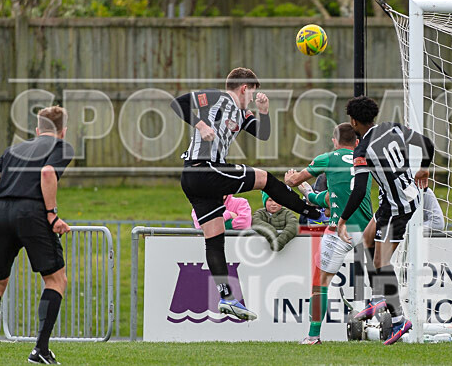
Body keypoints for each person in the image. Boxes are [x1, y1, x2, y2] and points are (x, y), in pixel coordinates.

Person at [171, 67, 321, 321]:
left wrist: (264, 112)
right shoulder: (218, 98)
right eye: (252, 92)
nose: (253, 97)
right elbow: (178, 103)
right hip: (204, 169)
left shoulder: (243, 113)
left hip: (196, 179)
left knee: (215, 239)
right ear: (244, 88)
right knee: (264, 179)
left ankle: (226, 298)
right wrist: (201, 124)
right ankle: (313, 212)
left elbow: (263, 134)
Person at [0, 105, 74, 365]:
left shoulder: (13, 149)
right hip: (31, 212)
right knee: (56, 279)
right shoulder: (61, 147)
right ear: (62, 131)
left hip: (0, 212)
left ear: (38, 130)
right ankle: (40, 350)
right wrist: (52, 215)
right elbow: (47, 173)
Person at [337, 96, 435, 345]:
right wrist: (424, 167)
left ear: (353, 121)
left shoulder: (362, 150)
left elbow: (359, 191)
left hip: (397, 207)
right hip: (395, 200)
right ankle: (378, 296)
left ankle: (400, 319)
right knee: (368, 239)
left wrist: (342, 219)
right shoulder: (393, 127)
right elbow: (426, 143)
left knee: (382, 261)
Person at [284, 122, 373, 345]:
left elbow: (295, 180)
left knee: (321, 283)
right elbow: (333, 197)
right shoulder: (366, 160)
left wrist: (292, 181)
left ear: (334, 142)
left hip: (338, 229)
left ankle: (313, 335)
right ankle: (397, 322)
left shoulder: (329, 158)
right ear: (357, 142)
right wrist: (311, 195)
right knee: (383, 279)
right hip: (367, 229)